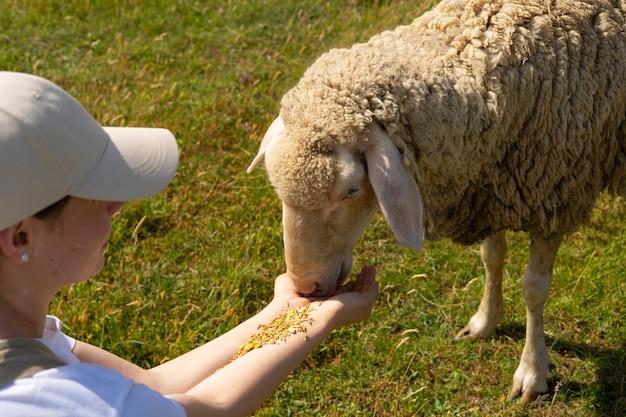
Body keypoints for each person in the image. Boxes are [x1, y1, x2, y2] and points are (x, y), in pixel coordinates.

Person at [0, 71, 379, 417]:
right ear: (21, 238)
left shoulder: (28, 339)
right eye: (93, 194)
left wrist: (282, 311)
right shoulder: (58, 403)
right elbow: (210, 408)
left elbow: (152, 387)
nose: (116, 205)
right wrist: (322, 319)